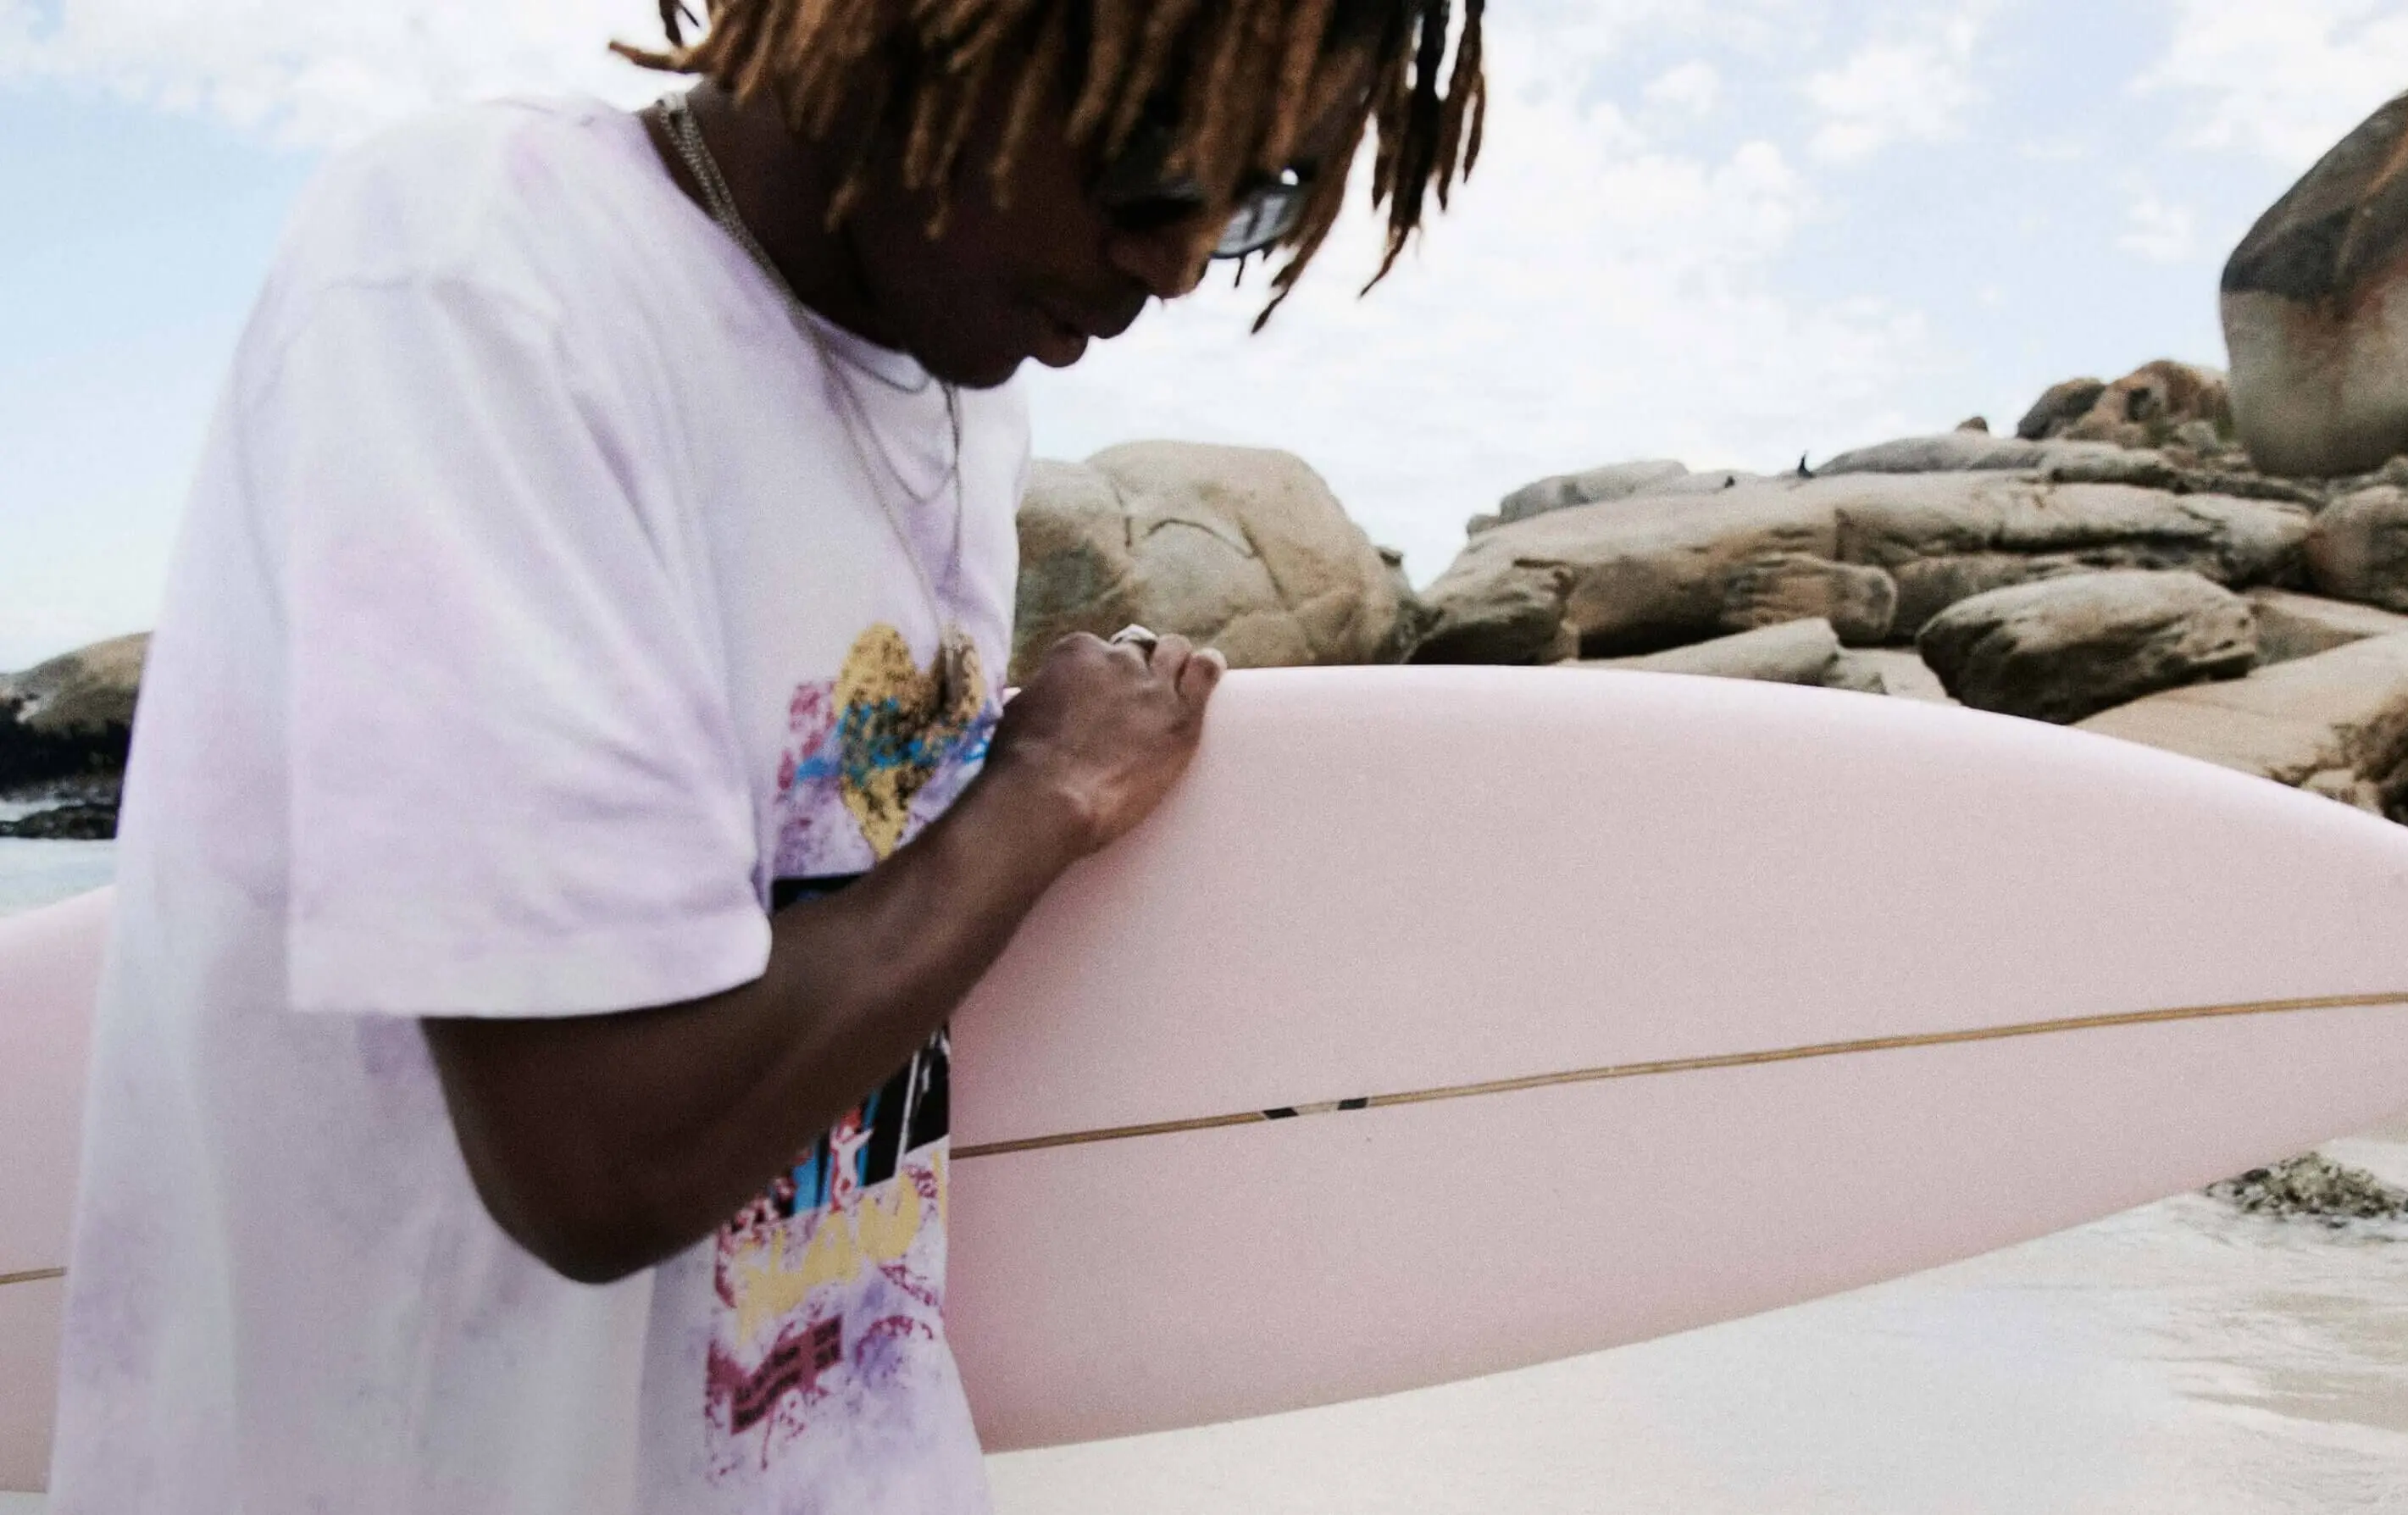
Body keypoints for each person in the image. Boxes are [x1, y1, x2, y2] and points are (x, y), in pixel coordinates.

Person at [45, 0, 1487, 1510]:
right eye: (1151, 167)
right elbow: (601, 1159)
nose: (1181, 264)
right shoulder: (477, 280)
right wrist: (1039, 799)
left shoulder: (960, 397)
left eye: (1253, 200)